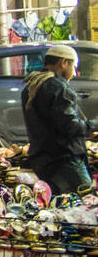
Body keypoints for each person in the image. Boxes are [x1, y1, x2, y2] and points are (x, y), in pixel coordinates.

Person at [22, 44, 98, 193]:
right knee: (86, 203)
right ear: (64, 63)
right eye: (74, 67)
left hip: (42, 159)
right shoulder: (58, 87)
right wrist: (94, 125)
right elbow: (71, 127)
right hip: (64, 159)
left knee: (60, 205)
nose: (75, 73)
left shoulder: (32, 85)